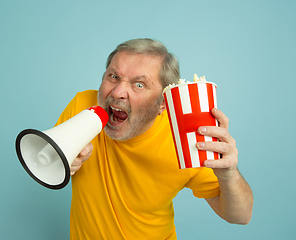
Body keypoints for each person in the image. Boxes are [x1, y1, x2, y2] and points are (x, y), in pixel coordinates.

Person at [55, 38, 253, 239]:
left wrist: (229, 174)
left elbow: (240, 216)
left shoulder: (186, 138)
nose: (118, 92)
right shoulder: (82, 107)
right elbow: (46, 161)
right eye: (113, 76)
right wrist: (61, 164)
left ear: (163, 104)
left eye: (139, 84)